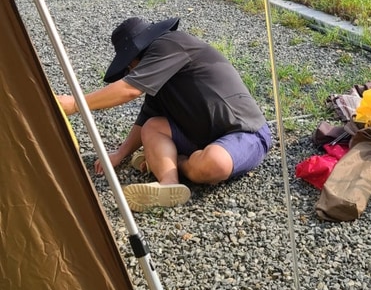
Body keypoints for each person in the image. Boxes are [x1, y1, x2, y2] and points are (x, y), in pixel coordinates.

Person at [56, 17, 272, 212]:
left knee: (214, 164)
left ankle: (173, 161)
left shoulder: (169, 44)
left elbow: (130, 89)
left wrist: (76, 104)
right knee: (153, 126)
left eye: (129, 67)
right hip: (202, 137)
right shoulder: (160, 75)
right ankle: (169, 183)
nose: (130, 72)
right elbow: (145, 120)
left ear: (135, 58)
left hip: (245, 131)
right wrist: (120, 154)